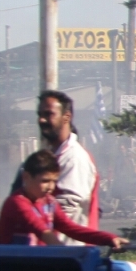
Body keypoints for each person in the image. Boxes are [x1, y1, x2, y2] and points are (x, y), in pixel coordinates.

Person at [0, 152, 125, 248]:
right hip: (13, 269)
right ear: (26, 177)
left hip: (36, 267)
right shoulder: (16, 202)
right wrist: (65, 256)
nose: (51, 187)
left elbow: (71, 228)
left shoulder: (49, 202)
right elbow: (41, 230)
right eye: (45, 181)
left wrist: (108, 238)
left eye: (54, 181)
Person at [31, 90, 101, 238]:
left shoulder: (75, 158)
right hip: (50, 252)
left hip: (69, 252)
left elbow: (64, 210)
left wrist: (24, 212)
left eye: (48, 114)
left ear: (66, 117)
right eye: (39, 115)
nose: (41, 120)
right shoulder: (52, 155)